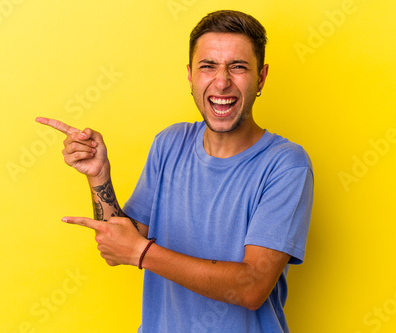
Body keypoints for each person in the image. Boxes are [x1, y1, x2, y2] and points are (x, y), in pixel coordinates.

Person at [36, 10, 313, 333]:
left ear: (261, 77)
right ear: (190, 75)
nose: (221, 82)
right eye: (208, 66)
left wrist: (142, 252)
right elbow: (120, 246)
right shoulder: (170, 143)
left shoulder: (285, 164)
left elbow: (251, 287)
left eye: (238, 67)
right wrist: (98, 176)